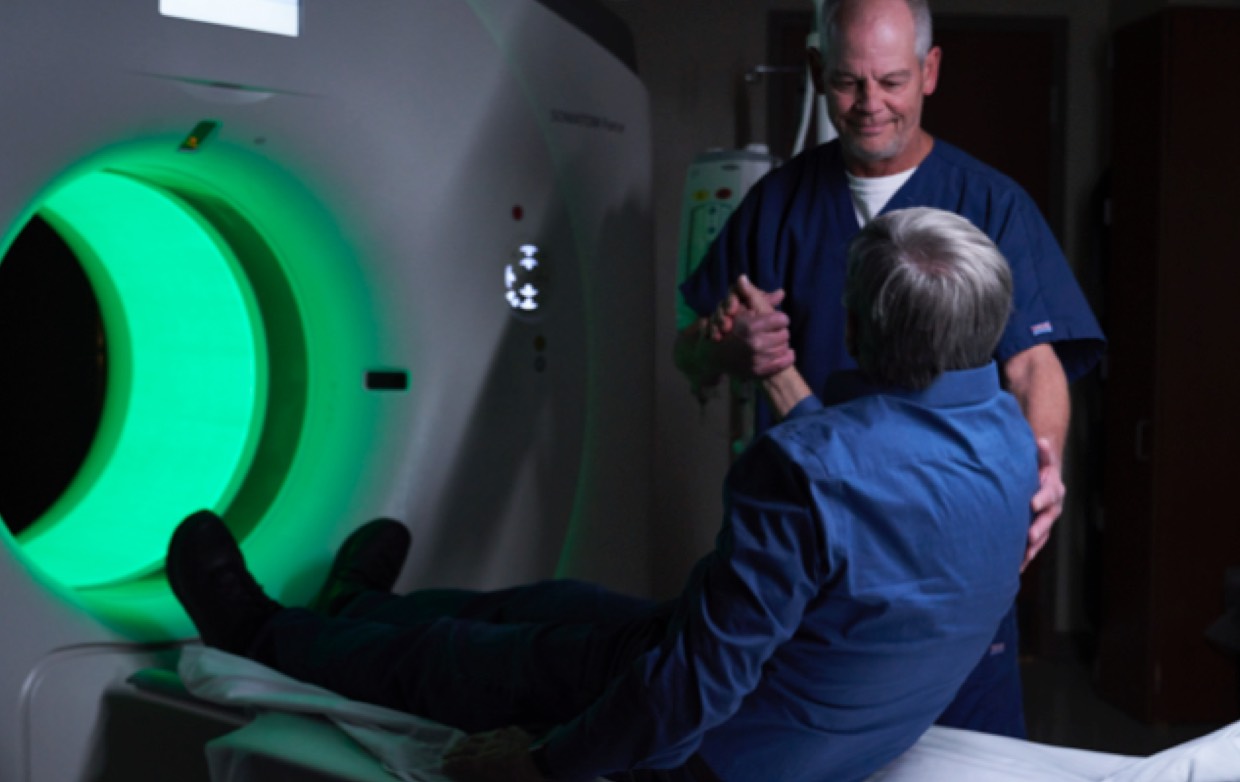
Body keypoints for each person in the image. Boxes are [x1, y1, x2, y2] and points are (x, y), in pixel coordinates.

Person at [168, 207, 1037, 782]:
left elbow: (695, 689)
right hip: (832, 716)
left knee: (459, 655)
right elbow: (884, 483)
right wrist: (781, 380)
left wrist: (543, 769)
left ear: (854, 325)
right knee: (544, 603)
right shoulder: (1009, 439)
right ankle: (353, 603)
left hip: (729, 744)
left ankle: (256, 631)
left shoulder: (803, 472)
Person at [674, 0, 1105, 738]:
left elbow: (1036, 365)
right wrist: (726, 349)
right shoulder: (777, 205)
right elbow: (692, 356)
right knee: (803, 735)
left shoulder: (990, 206)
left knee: (965, 750)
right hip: (812, 552)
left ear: (930, 72)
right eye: (847, 82)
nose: (870, 105)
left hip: (947, 553)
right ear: (816, 73)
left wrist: (1045, 469)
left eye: (892, 81)